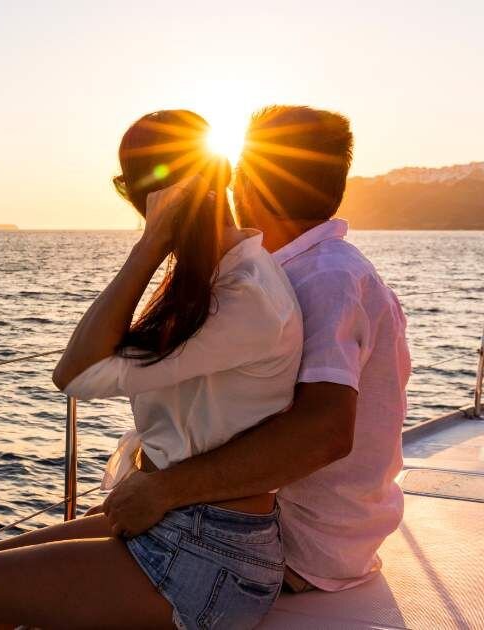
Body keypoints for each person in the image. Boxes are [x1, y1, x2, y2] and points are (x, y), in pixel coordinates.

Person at [0, 109, 304, 630]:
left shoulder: (243, 295)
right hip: (182, 528)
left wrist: (150, 244)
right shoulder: (218, 276)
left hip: (212, 557)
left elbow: (74, 373)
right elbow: (81, 368)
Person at [98, 105, 411, 594]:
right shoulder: (302, 269)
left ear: (247, 182)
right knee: (1, 570)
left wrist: (164, 489)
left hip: (294, 543)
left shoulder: (327, 278)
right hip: (269, 524)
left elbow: (324, 432)